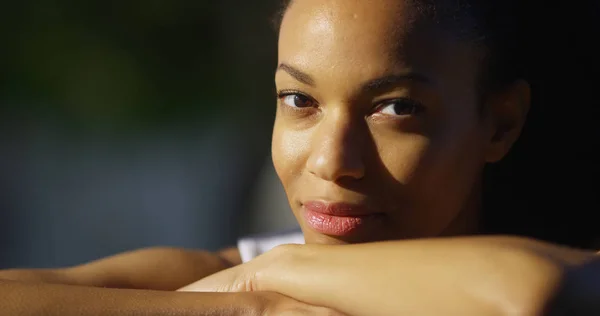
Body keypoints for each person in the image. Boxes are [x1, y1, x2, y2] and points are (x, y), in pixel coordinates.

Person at [1, 0, 598, 315]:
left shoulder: (578, 269)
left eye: (396, 108)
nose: (333, 162)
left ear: (500, 124)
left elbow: (529, 297)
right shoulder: (239, 279)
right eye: (299, 100)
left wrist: (272, 276)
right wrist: (249, 310)